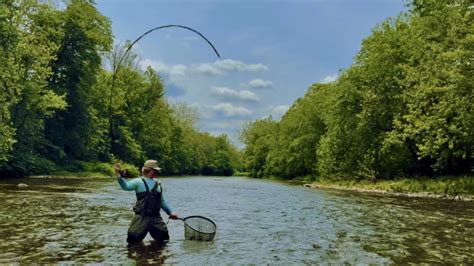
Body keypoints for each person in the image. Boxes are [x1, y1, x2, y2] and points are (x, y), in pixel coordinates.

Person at [115, 160, 179, 245]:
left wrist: (170, 213)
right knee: (133, 241)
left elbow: (162, 202)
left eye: (157, 170)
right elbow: (125, 186)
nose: (157, 172)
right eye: (155, 170)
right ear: (148, 170)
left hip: (156, 218)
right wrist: (118, 174)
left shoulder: (158, 184)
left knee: (164, 240)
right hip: (141, 217)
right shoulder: (138, 181)